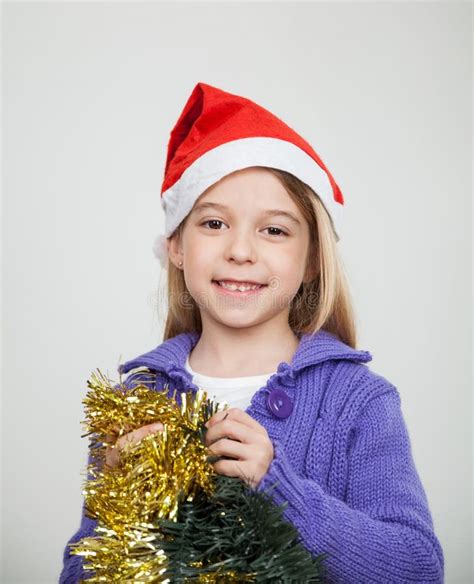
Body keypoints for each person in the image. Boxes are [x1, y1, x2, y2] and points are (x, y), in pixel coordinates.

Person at [59, 82, 444, 583]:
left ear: (311, 261)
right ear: (176, 247)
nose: (241, 250)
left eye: (275, 229)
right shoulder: (136, 398)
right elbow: (78, 574)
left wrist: (278, 487)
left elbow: (418, 569)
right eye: (214, 223)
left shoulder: (358, 400)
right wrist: (119, 499)